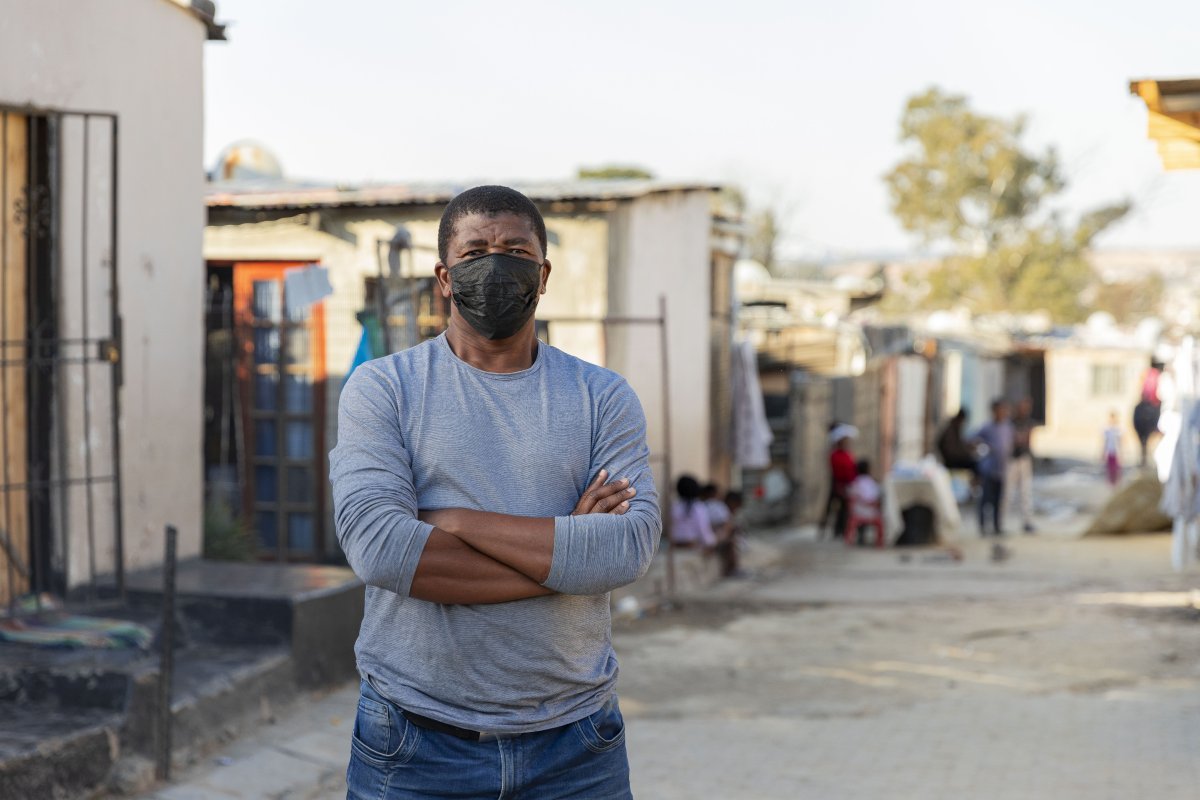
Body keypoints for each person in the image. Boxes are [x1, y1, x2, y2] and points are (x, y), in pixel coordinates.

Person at [330, 186, 660, 800]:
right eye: (476, 250)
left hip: (576, 745)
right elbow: (380, 551)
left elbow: (626, 549)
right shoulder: (383, 390)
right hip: (413, 740)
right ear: (445, 278)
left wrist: (451, 521)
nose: (496, 263)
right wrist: (568, 559)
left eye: (515, 249)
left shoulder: (603, 398)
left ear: (544, 273)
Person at [973, 399, 1013, 537]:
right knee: (985, 500)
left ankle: (997, 526)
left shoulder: (1007, 427)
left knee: (998, 500)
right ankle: (983, 526)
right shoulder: (987, 427)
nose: (1003, 413)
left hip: (1002, 469)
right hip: (988, 469)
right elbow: (973, 439)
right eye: (1000, 410)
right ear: (994, 411)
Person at [822, 423, 858, 539]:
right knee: (833, 508)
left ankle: (840, 530)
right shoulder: (836, 455)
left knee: (843, 509)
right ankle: (831, 530)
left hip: (846, 484)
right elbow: (842, 470)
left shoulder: (846, 454)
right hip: (839, 483)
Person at [1008, 398, 1037, 534]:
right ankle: (1003, 523)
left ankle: (1027, 521)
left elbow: (1026, 440)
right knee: (1008, 492)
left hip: (1024, 459)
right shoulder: (1010, 423)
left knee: (1026, 492)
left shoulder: (1029, 423)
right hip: (1011, 460)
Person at [701, 482, 740, 577]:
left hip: (709, 537)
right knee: (730, 541)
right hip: (711, 539)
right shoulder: (717, 506)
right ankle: (732, 569)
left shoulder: (701, 505)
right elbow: (727, 524)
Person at [671, 475, 717, 550]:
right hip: (692, 546)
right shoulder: (698, 507)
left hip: (676, 546)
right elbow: (703, 530)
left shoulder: (675, 506)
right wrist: (712, 542)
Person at [846, 459, 882, 545]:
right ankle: (879, 542)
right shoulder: (872, 482)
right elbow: (876, 498)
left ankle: (849, 540)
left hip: (857, 511)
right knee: (880, 520)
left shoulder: (855, 483)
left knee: (852, 520)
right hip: (871, 512)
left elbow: (851, 496)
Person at [936, 409, 978, 474]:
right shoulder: (950, 429)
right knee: (973, 464)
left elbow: (960, 445)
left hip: (953, 458)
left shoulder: (955, 428)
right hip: (951, 461)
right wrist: (966, 453)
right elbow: (952, 450)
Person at [1103, 412, 1123, 486]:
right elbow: (1105, 441)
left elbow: (1120, 441)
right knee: (1109, 469)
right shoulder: (1107, 429)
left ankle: (1116, 484)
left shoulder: (1118, 429)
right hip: (1109, 451)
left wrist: (1121, 453)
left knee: (1116, 469)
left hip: (1116, 452)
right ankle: (1110, 484)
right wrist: (1103, 452)